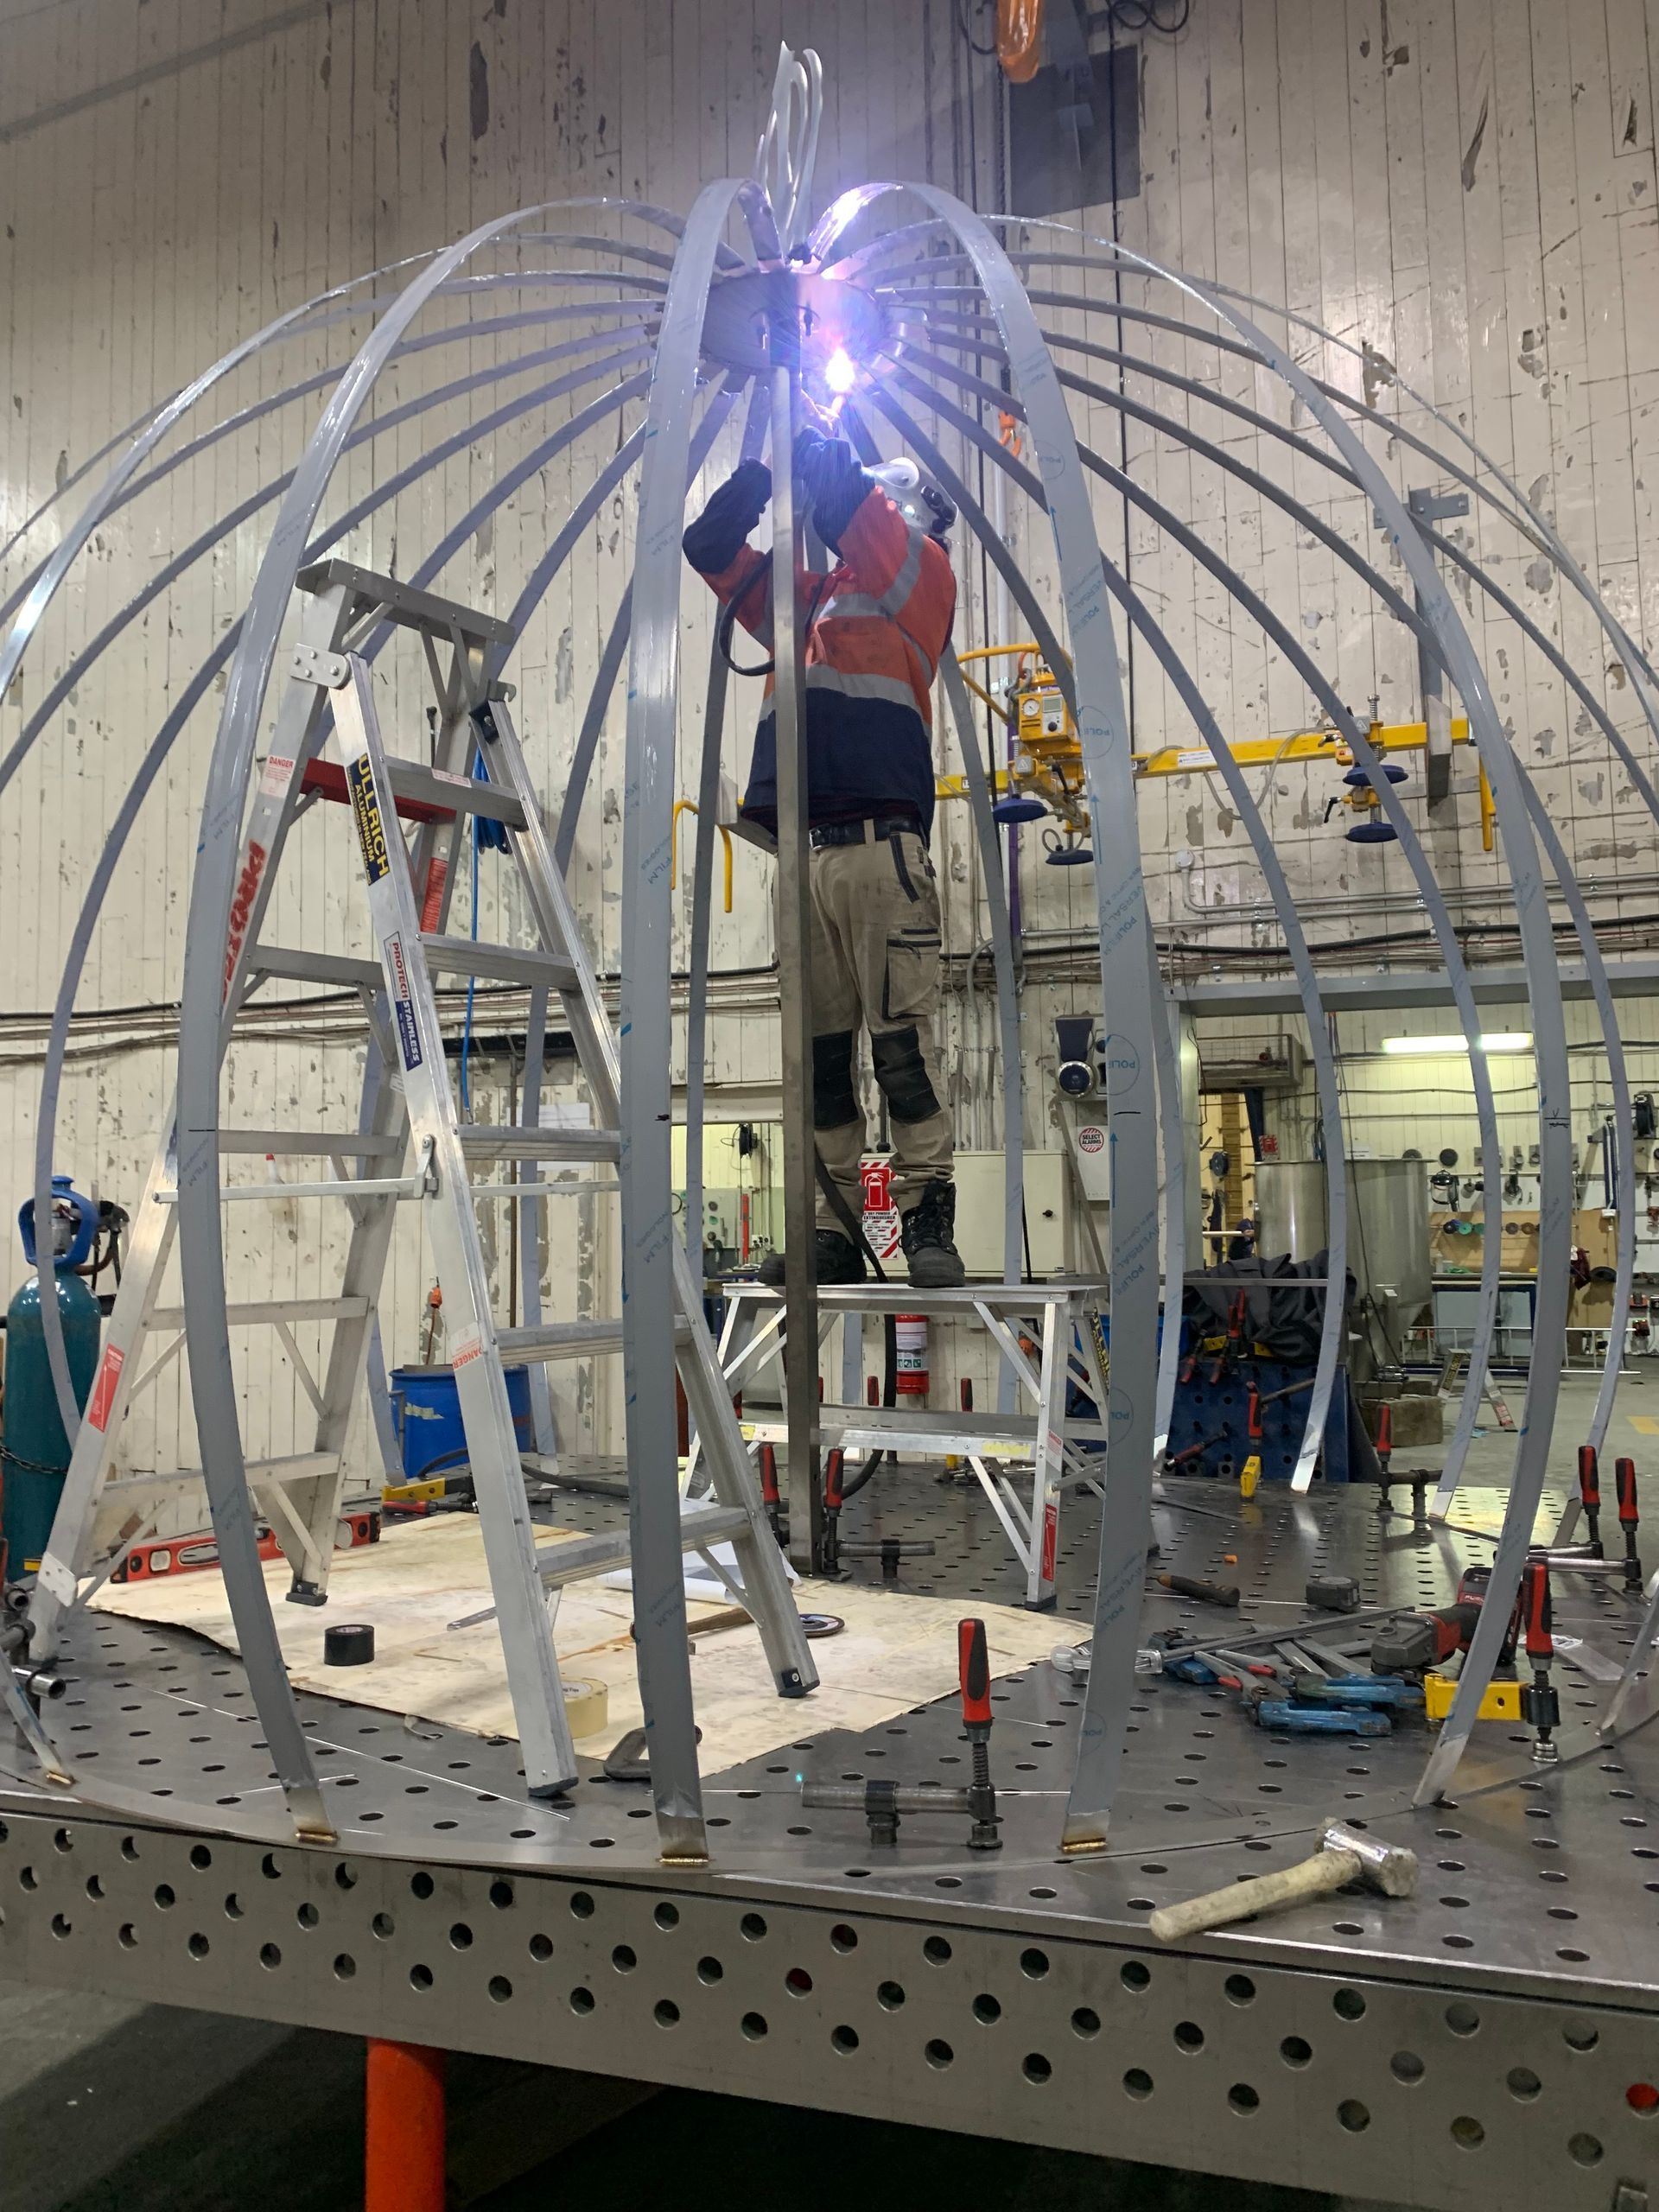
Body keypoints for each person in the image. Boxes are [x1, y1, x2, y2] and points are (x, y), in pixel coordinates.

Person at [683, 427, 963, 1288]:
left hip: (882, 847)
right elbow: (709, 547)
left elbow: (844, 498)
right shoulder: (805, 600)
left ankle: (926, 1216)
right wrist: (762, 472)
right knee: (822, 1060)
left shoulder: (921, 575)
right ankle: (833, 1228)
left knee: (901, 1045)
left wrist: (809, 430)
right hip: (801, 855)